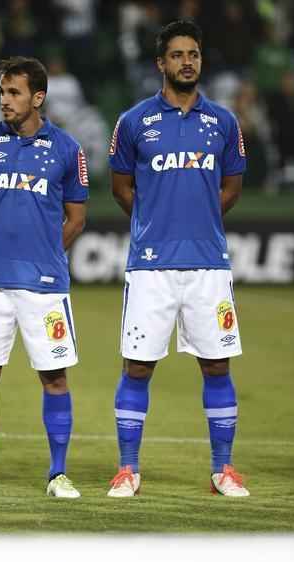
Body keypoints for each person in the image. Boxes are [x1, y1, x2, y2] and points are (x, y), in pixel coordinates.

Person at [108, 19, 249, 498]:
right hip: (151, 266)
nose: (187, 62)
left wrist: (198, 219)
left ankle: (223, 470)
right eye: (177, 55)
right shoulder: (133, 122)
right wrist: (156, 221)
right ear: (160, 64)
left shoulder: (224, 123)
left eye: (193, 54)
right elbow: (121, 187)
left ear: (200, 60)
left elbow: (230, 186)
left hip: (209, 264)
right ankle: (128, 470)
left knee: (217, 365)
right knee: (137, 366)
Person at [0, 55, 88, 499]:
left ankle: (58, 474)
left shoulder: (68, 149)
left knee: (54, 377)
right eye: (2, 92)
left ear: (38, 97)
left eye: (14, 93)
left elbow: (76, 217)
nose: (5, 101)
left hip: (44, 285)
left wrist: (44, 253)